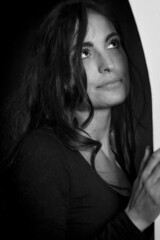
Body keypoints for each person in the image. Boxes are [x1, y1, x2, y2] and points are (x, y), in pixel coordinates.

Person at [0, 0, 159, 239]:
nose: (109, 64)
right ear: (58, 72)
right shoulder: (42, 153)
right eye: (85, 52)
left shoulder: (125, 155)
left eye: (113, 43)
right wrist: (135, 218)